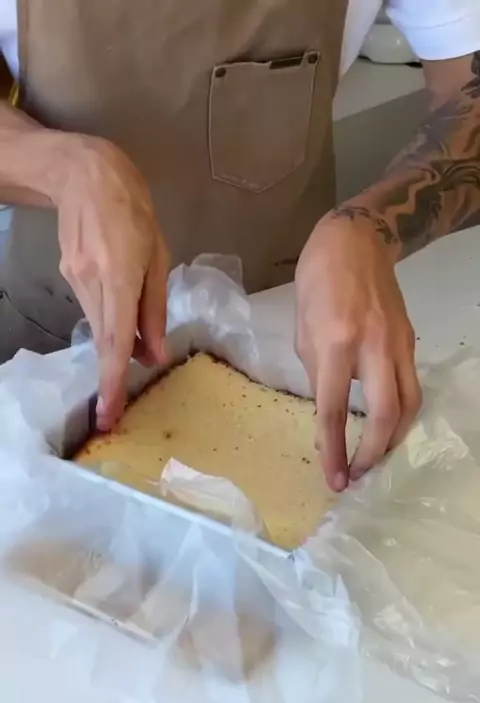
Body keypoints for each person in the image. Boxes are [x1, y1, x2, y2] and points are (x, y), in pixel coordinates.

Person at [0, 1, 479, 492]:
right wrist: (62, 166)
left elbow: (469, 84)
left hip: (292, 350)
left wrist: (369, 228)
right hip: (45, 357)